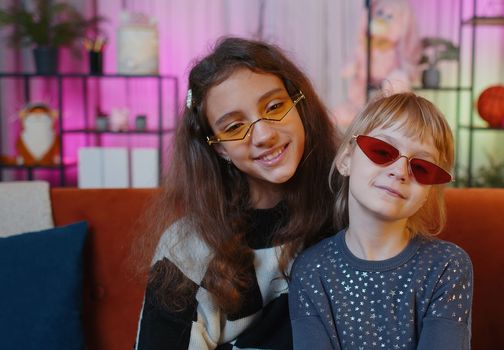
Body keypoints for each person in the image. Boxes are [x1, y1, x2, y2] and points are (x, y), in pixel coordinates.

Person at [134, 37, 339, 349]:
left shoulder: (347, 214)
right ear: (219, 150)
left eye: (274, 107)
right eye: (233, 127)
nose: (265, 135)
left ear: (299, 104)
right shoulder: (187, 248)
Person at [289, 92, 473, 349]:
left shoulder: (446, 266)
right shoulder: (310, 270)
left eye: (421, 167)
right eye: (382, 151)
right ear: (345, 160)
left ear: (428, 193)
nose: (399, 171)